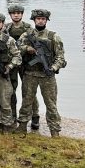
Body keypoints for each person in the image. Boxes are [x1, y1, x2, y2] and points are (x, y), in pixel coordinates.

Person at [17, 9, 66, 137]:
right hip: (30, 74)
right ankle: (22, 126)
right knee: (26, 102)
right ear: (34, 20)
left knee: (51, 105)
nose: (40, 21)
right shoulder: (26, 35)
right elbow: (16, 48)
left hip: (47, 76)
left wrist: (53, 68)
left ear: (46, 21)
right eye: (38, 19)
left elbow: (60, 57)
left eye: (43, 19)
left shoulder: (53, 36)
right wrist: (27, 48)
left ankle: (54, 131)